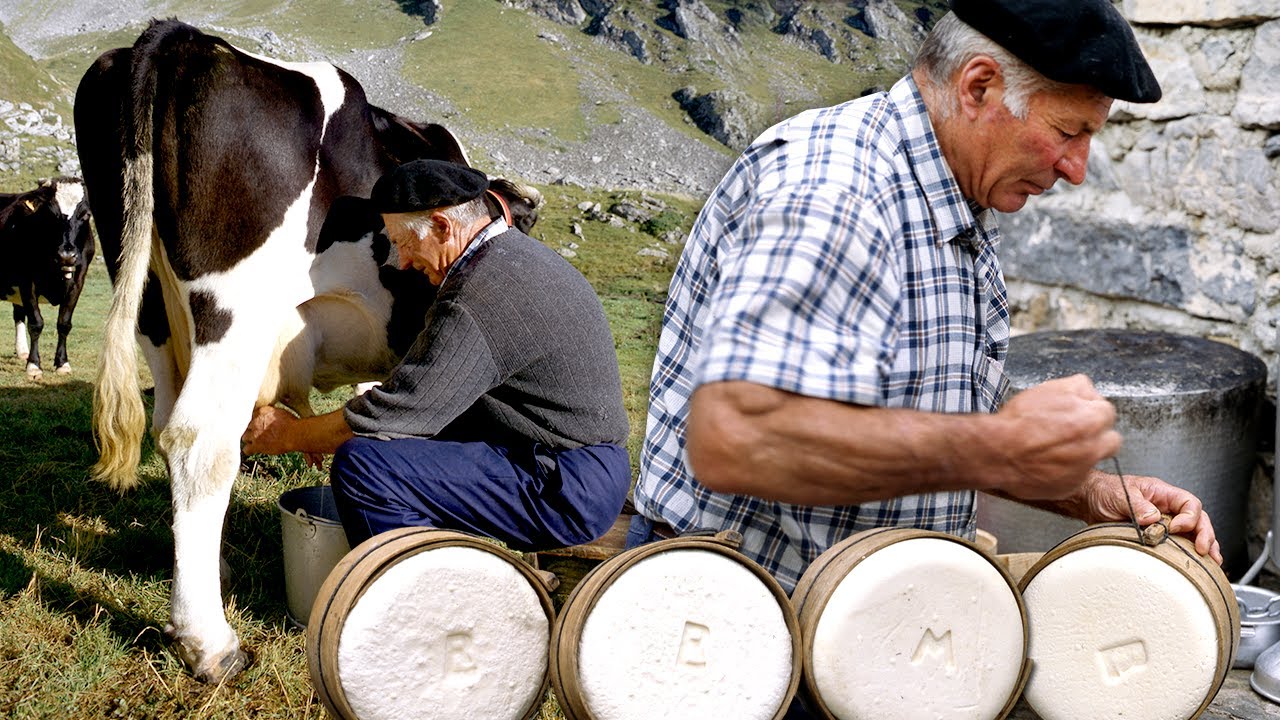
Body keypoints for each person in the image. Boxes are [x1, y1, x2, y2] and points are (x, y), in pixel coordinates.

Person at [630, 0, 1222, 599]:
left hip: (852, 622)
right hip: (735, 626)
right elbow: (741, 438)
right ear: (980, 86)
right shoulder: (837, 196)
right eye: (1068, 132)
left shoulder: (948, 189)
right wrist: (999, 447)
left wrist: (1086, 490)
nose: (1076, 169)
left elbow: (913, 429)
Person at [242, 158, 631, 551]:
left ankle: (414, 593)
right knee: (393, 443)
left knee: (364, 466)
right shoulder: (514, 258)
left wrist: (288, 433)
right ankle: (436, 556)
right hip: (566, 463)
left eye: (404, 243)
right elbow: (420, 399)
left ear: (443, 226)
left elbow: (395, 411)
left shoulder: (477, 294)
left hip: (565, 486)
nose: (405, 262)